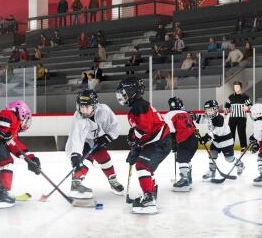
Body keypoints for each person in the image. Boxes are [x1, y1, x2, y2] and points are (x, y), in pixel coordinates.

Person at [117, 77, 171, 214]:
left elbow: (144, 128)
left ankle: (149, 200)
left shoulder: (139, 106)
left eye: (123, 93)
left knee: (143, 166)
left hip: (160, 141)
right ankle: (151, 194)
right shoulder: (138, 106)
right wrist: (136, 148)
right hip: (156, 141)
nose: (121, 97)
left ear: (132, 92)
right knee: (146, 167)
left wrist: (134, 139)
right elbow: (145, 131)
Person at [65, 90, 124, 199]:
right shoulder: (78, 117)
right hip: (83, 143)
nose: (83, 110)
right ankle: (76, 184)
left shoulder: (104, 110)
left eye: (87, 107)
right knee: (82, 163)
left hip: (97, 140)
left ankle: (113, 181)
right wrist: (75, 155)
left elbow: (114, 126)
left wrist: (107, 137)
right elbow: (76, 138)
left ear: (95, 105)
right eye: (81, 106)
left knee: (105, 158)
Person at [198, 99, 241, 179]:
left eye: (211, 110)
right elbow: (201, 119)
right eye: (207, 110)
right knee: (212, 154)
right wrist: (192, 117)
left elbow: (218, 132)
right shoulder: (209, 116)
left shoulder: (219, 118)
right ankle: (212, 171)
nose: (209, 112)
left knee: (229, 159)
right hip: (216, 141)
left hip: (226, 142)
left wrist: (207, 137)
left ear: (215, 109)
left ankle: (239, 164)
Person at [164, 97, 197, 192]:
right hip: (194, 139)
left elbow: (171, 131)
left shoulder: (169, 114)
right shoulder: (186, 113)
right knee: (186, 159)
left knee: (182, 159)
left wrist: (173, 143)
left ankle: (185, 180)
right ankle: (188, 178)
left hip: (184, 140)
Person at [225, 81, 251, 150]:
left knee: (241, 132)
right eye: (235, 87)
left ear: (241, 87)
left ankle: (243, 146)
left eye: (237, 87)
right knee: (231, 132)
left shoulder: (245, 96)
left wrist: (248, 108)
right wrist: (225, 113)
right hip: (232, 117)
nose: (236, 88)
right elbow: (227, 106)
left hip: (242, 117)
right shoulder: (230, 97)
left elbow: (251, 106)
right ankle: (230, 146)